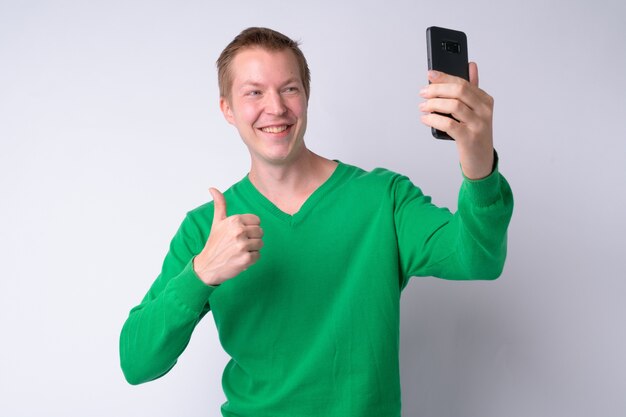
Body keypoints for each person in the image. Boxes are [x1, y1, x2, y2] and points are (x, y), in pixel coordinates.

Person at [120, 27, 513, 417]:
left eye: (289, 88)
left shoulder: (382, 198)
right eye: (254, 92)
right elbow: (137, 363)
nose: (275, 107)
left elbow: (479, 258)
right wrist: (202, 273)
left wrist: (477, 158)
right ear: (228, 109)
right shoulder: (206, 228)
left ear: (306, 97)